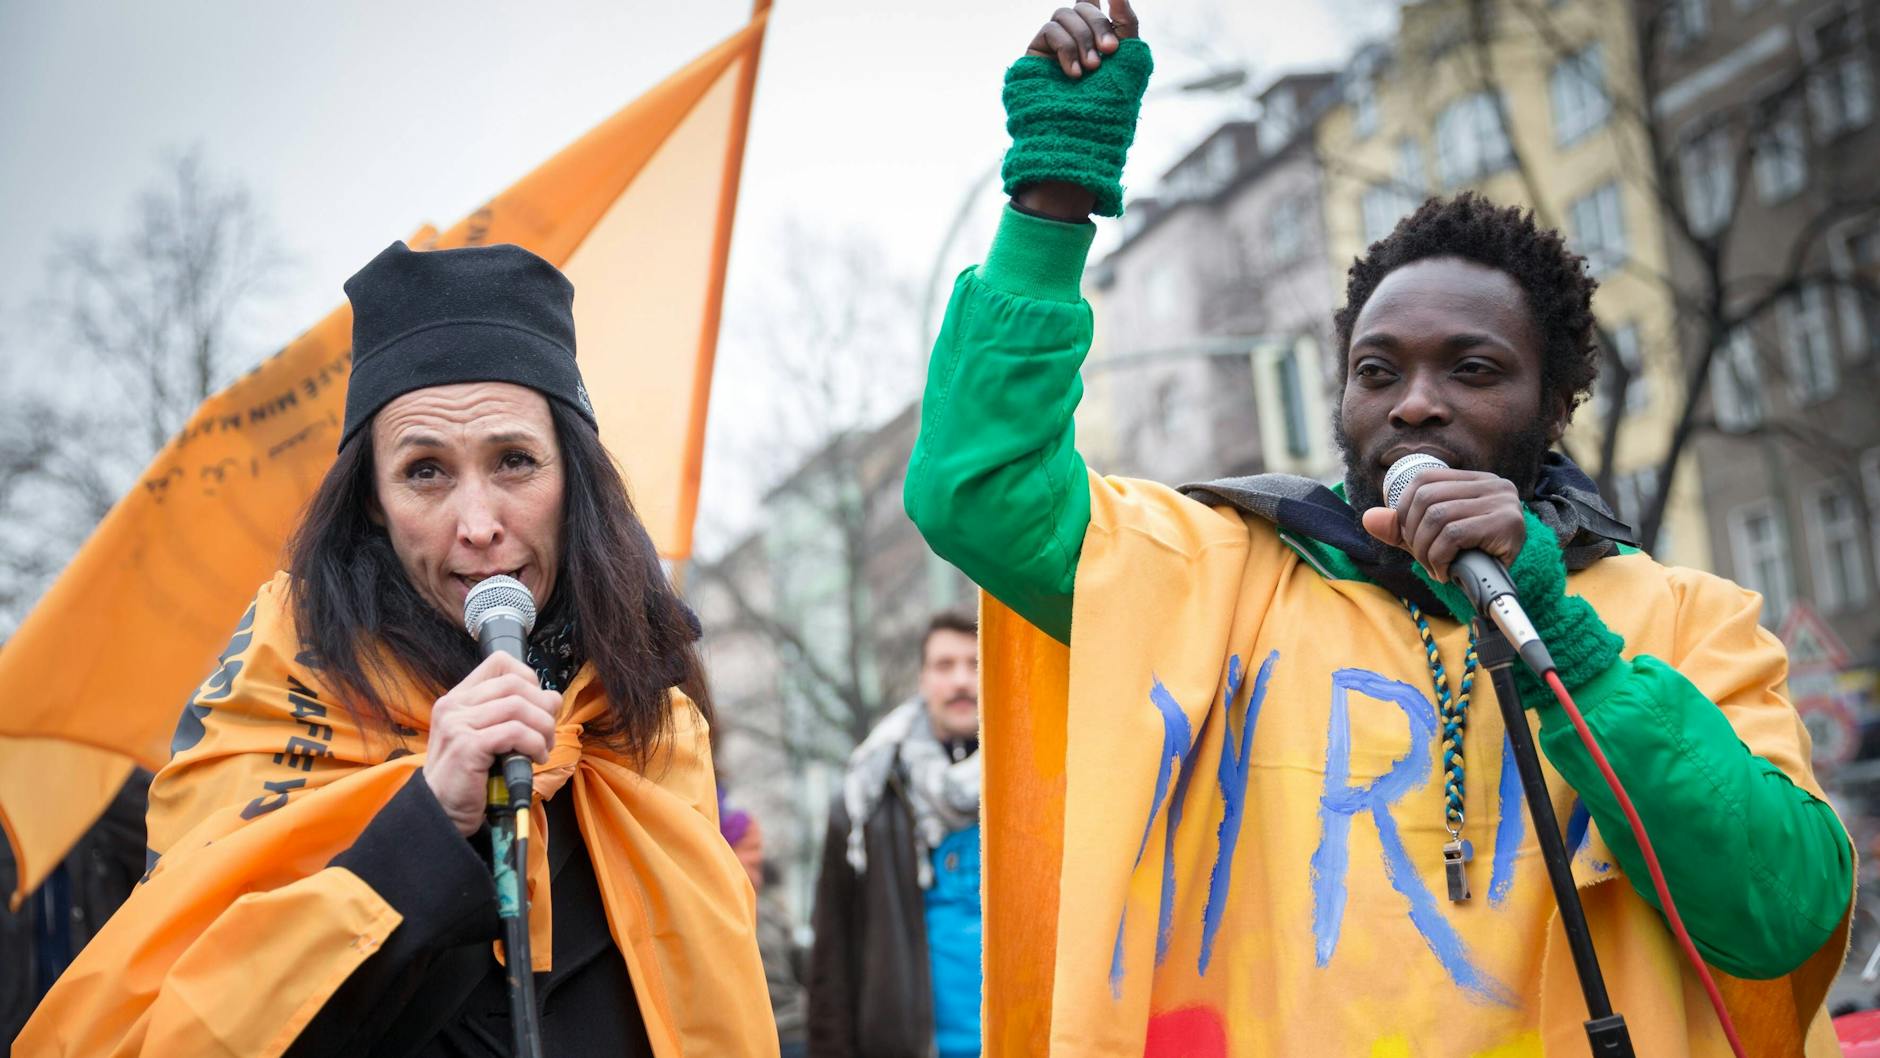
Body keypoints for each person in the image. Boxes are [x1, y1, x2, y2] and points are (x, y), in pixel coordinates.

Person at [903, 2, 1856, 1053]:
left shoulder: (1687, 619)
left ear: (1553, 408)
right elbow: (975, 490)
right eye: (1375, 369)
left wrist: (1566, 647)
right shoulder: (1223, 575)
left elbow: (1779, 912)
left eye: (1472, 368)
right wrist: (1050, 199)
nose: (1411, 402)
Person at [18, 241, 777, 1057]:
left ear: (575, 481)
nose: (478, 522)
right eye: (425, 472)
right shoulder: (279, 697)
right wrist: (426, 820)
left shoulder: (655, 719)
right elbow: (183, 1030)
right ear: (373, 503)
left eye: (515, 461)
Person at [809, 612, 984, 1058]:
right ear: (923, 679)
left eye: (976, 663)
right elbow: (833, 961)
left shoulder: (1042, 784)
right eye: (945, 665)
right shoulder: (864, 798)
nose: (961, 680)